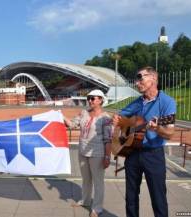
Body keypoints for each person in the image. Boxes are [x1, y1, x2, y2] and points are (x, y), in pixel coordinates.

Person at [112, 66, 176, 217]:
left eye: (140, 77)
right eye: (136, 78)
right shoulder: (137, 102)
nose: (136, 82)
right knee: (131, 197)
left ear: (153, 78)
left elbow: (170, 133)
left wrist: (157, 129)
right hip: (132, 153)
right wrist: (117, 120)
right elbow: (121, 116)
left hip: (153, 155)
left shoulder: (167, 102)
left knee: (158, 198)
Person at [64, 89, 112, 217]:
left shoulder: (105, 118)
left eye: (93, 98)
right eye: (89, 98)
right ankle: (85, 201)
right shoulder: (84, 113)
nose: (90, 100)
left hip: (97, 153)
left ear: (101, 100)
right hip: (82, 151)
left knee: (98, 181)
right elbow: (72, 125)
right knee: (86, 179)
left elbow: (108, 140)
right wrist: (61, 116)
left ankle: (97, 208)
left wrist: (107, 157)